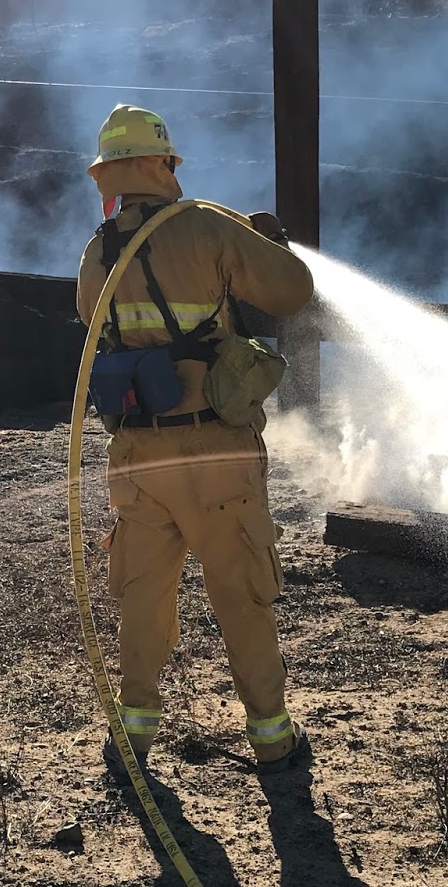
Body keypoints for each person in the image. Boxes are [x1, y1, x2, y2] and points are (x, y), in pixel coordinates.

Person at [77, 104, 315, 779]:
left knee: (145, 596)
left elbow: (93, 323)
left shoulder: (98, 252)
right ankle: (272, 739)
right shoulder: (207, 226)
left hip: (137, 456)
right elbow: (293, 291)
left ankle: (133, 737)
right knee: (241, 591)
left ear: (109, 178)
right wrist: (269, 245)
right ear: (164, 165)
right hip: (214, 452)